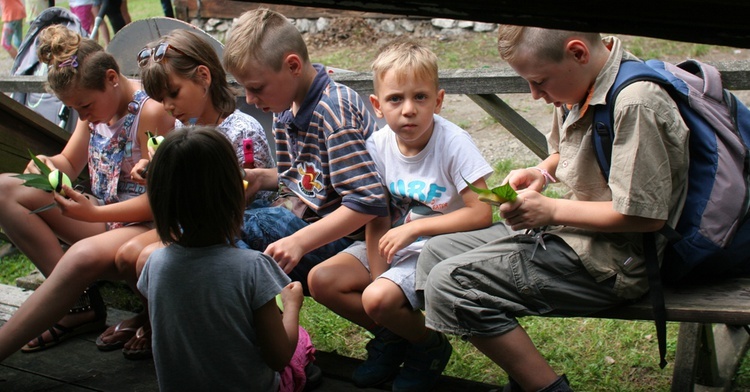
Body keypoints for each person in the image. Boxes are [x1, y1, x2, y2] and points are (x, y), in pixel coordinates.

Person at [416, 25, 690, 391]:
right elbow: (567, 151)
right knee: (437, 252)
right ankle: (523, 375)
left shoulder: (635, 102)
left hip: (618, 258)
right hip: (573, 233)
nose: (534, 95)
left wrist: (551, 211)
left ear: (578, 53)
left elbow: (645, 216)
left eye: (540, 81)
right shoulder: (583, 82)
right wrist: (541, 173)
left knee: (453, 283)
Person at [308, 38, 494, 391]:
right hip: (394, 243)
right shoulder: (377, 146)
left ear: (438, 101)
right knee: (322, 281)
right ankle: (394, 337)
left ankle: (429, 347)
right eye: (396, 99)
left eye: (420, 97)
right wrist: (380, 273)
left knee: (377, 297)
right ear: (377, 105)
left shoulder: (454, 143)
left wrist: (416, 229)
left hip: (436, 248)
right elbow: (375, 215)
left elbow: (482, 213)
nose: (408, 109)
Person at [94, 28, 276, 360]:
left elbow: (241, 198)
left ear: (204, 76)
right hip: (189, 221)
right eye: (160, 99)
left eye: (173, 93)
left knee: (145, 257)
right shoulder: (182, 127)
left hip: (225, 227)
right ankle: (159, 316)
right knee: (126, 255)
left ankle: (162, 324)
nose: (167, 106)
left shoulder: (241, 130)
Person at [0, 24, 175, 360]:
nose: (83, 116)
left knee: (79, 256)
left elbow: (159, 202)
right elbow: (69, 160)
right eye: (76, 110)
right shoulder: (94, 109)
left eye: (84, 106)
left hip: (144, 224)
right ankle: (77, 304)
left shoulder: (150, 112)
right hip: (103, 217)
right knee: (6, 190)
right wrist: (48, 166)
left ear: (112, 78)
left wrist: (92, 213)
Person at [222, 8, 389, 294]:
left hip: (351, 239)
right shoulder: (284, 104)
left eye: (257, 88)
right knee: (219, 220)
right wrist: (260, 178)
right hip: (310, 221)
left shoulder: (334, 111)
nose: (249, 99)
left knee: (244, 224)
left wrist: (299, 242)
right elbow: (309, 175)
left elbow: (368, 202)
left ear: (293, 66)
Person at [138, 126, 311, 392]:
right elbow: (278, 358)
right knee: (301, 341)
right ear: (234, 193)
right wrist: (292, 305)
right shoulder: (252, 267)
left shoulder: (155, 264)